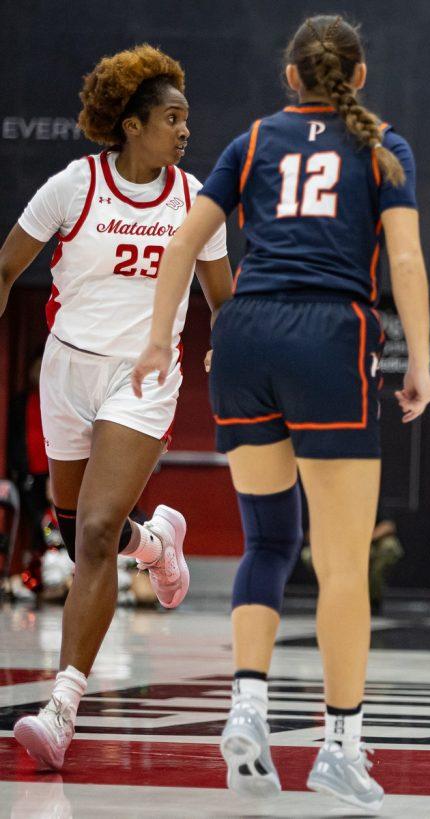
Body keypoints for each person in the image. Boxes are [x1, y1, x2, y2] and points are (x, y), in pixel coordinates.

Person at [132, 15, 430, 814]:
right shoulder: (384, 147)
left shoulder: (252, 140)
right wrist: (423, 364)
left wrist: (162, 339)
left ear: (291, 77)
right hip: (327, 337)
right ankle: (339, 746)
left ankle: (247, 708)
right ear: (358, 77)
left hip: (245, 335)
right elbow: (403, 258)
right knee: (340, 565)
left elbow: (181, 245)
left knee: (266, 540)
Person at [1, 45, 233, 770]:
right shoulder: (74, 186)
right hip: (66, 371)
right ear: (131, 125)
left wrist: (224, 346)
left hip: (142, 377)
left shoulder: (197, 201)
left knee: (97, 532)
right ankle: (159, 543)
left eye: (187, 119)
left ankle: (63, 706)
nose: (184, 130)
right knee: (81, 537)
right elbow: (7, 267)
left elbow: (224, 298)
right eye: (171, 118)